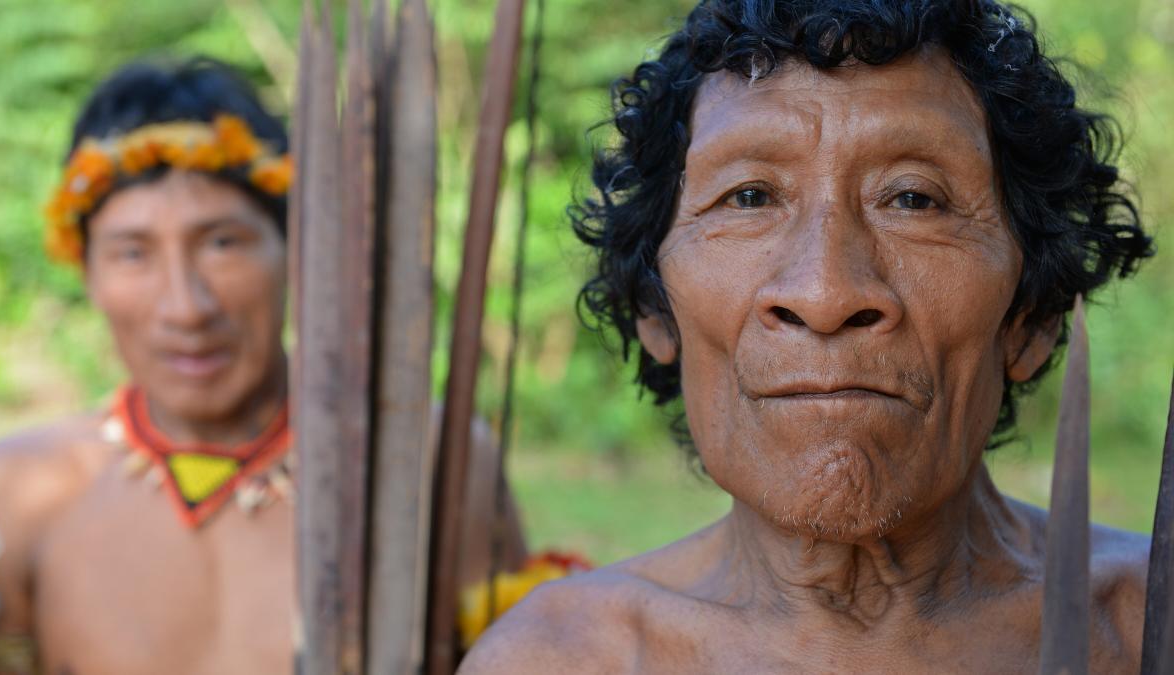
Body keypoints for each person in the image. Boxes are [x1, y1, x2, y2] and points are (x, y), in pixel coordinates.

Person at [460, 0, 1157, 672]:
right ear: (656, 310)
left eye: (913, 198)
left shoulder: (1144, 631)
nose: (824, 294)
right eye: (750, 197)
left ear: (1030, 318)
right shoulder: (557, 659)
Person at [0, 57, 523, 675]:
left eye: (222, 243)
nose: (186, 307)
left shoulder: (431, 463)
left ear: (297, 250)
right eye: (133, 253)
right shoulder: (13, 498)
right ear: (87, 274)